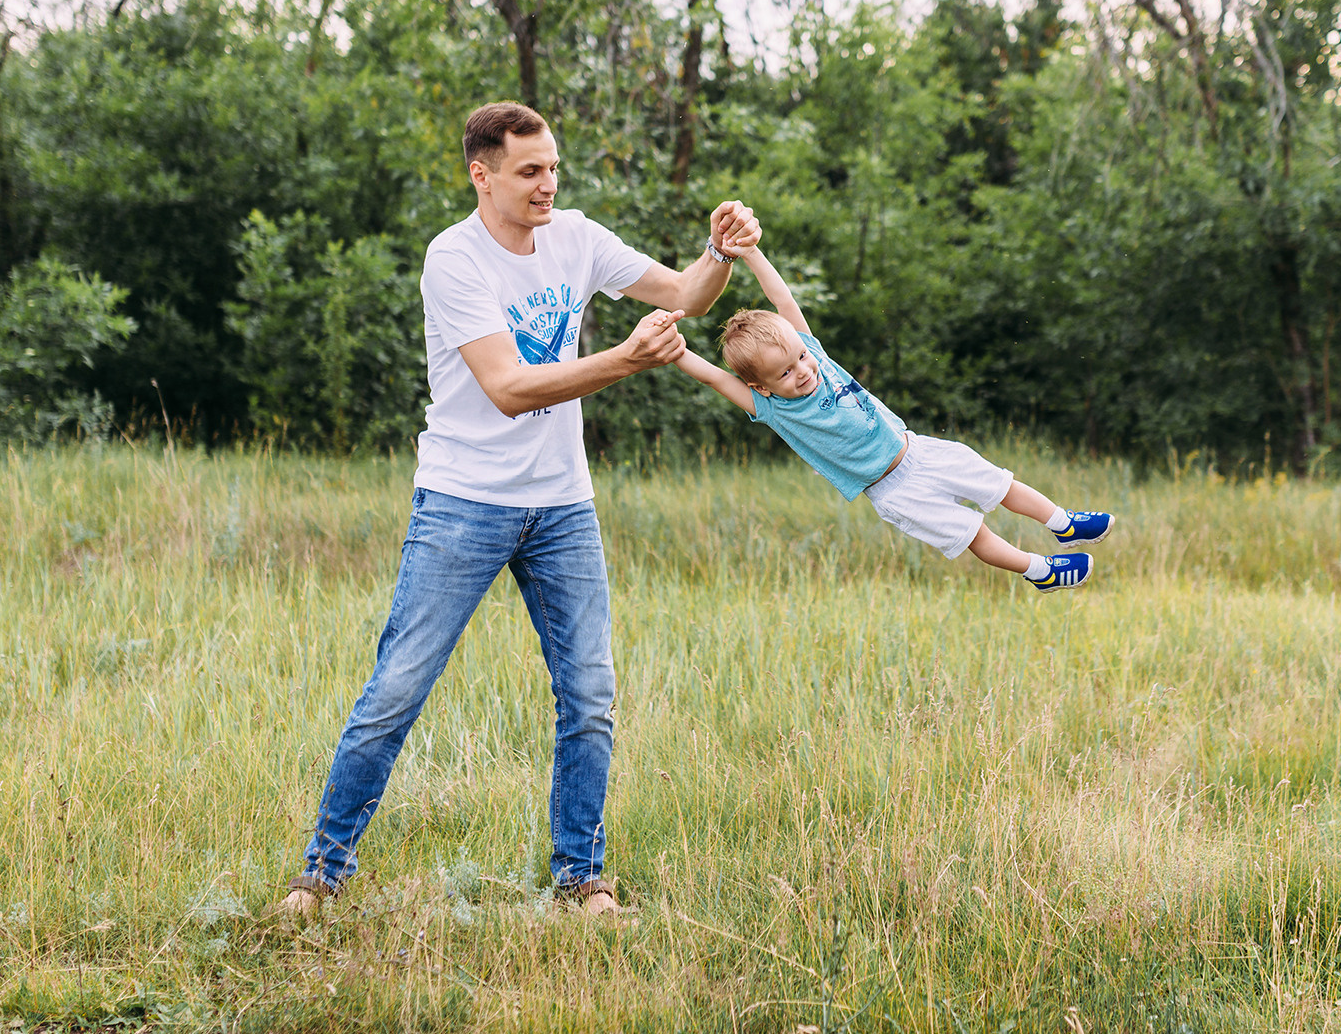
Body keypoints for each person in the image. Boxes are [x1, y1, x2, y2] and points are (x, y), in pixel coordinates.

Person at [278, 101, 760, 922]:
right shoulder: (454, 258)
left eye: (554, 167)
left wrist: (718, 250)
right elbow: (507, 388)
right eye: (530, 170)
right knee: (397, 689)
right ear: (483, 174)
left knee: (590, 695)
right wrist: (624, 359)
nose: (549, 184)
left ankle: (581, 878)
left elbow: (687, 294)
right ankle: (319, 876)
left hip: (563, 504)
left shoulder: (576, 236)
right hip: (463, 501)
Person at [674, 247, 1113, 590]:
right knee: (972, 534)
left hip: (920, 450)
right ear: (763, 387)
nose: (803, 370)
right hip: (895, 491)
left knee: (1000, 484)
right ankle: (1040, 570)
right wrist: (674, 349)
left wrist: (752, 252)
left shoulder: (816, 356)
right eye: (785, 373)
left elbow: (782, 298)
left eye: (801, 357)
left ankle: (1064, 523)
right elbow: (715, 377)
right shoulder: (774, 408)